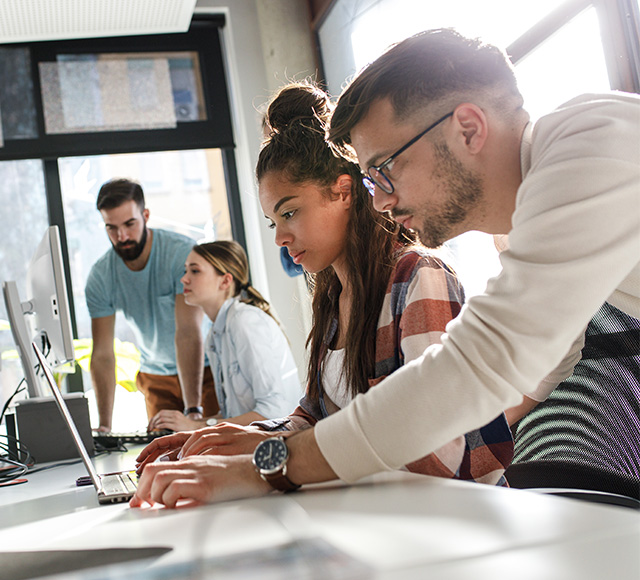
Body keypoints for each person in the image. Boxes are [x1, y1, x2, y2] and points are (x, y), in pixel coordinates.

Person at [130, 80, 515, 506]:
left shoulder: (418, 277)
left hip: (460, 518)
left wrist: (266, 464)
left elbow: (434, 454)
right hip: (379, 514)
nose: (280, 237)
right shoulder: (333, 296)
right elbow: (314, 417)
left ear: (343, 192)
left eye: (290, 212)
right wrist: (234, 441)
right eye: (272, 222)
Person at [86, 178, 218, 432]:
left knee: (211, 445)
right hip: (156, 376)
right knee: (162, 454)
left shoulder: (181, 254)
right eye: (111, 228)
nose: (122, 236)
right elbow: (102, 354)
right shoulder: (101, 276)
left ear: (145, 215)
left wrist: (193, 411)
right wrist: (104, 428)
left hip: (205, 368)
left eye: (129, 224)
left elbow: (189, 332)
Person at [147, 240, 302, 432]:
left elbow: (272, 412)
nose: (184, 279)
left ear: (225, 281)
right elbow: (232, 416)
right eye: (185, 271)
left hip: (278, 445)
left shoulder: (244, 321)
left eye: (194, 271)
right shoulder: (216, 334)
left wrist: (195, 426)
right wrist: (190, 426)